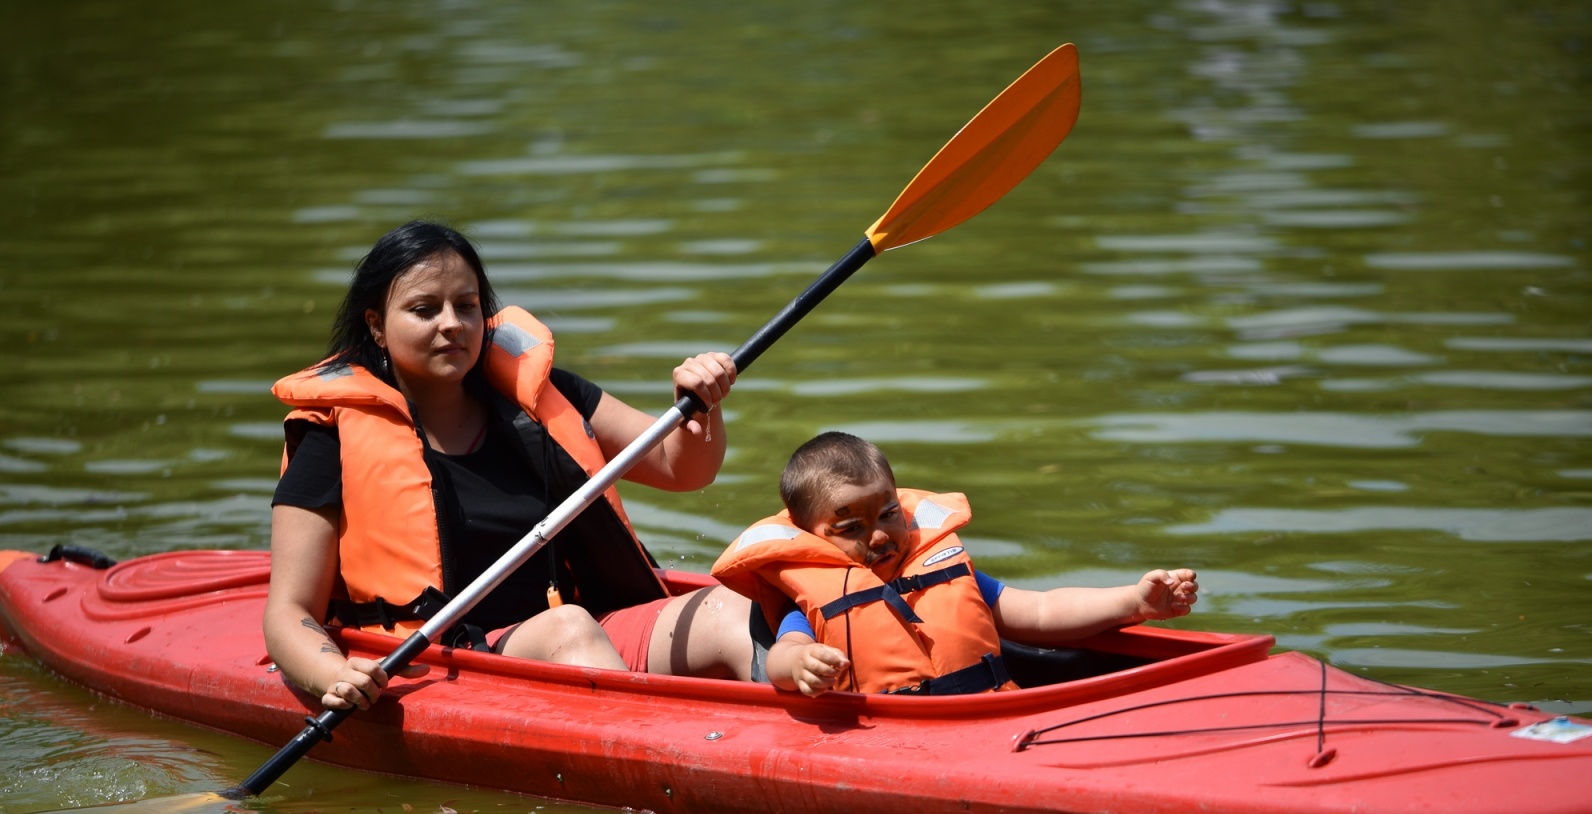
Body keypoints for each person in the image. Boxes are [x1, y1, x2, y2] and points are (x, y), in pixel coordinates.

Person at [264, 221, 755, 713]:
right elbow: (290, 611)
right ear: (376, 325)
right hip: (447, 664)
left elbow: (680, 469)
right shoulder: (330, 436)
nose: (451, 323)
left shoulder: (542, 396)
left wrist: (700, 407)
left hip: (580, 636)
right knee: (569, 628)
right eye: (424, 310)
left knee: (733, 611)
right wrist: (332, 672)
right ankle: (660, 764)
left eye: (467, 305)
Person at [712, 432, 1199, 696]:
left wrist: (1133, 601)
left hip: (994, 714)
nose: (879, 535)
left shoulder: (942, 566)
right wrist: (799, 664)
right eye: (851, 528)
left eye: (887, 514)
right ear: (810, 538)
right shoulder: (812, 596)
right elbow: (783, 650)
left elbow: (1042, 611)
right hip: (893, 737)